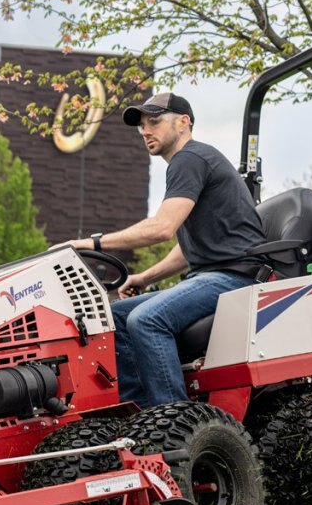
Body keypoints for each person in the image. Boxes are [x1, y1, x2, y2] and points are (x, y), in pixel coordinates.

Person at [68, 92, 265, 409]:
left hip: (237, 276)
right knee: (114, 316)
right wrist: (145, 277)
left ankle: (174, 419)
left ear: (184, 123)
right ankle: (140, 411)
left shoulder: (190, 159)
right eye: (142, 125)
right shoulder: (190, 163)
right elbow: (189, 250)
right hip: (211, 274)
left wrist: (90, 243)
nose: (146, 130)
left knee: (146, 320)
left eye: (154, 121)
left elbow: (161, 228)